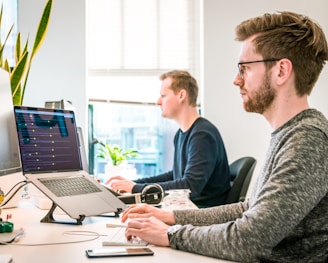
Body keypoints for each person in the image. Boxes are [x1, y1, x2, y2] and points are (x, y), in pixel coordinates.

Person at [119, 11, 328, 263]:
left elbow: (248, 239)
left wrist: (170, 234)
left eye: (245, 68)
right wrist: (171, 217)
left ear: (281, 71)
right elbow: (248, 209)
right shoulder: (289, 134)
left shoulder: (307, 139)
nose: (236, 80)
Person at [108, 70, 231, 208]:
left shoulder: (202, 135)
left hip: (201, 215)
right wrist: (134, 184)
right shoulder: (182, 134)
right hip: (187, 209)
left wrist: (136, 189)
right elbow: (175, 175)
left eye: (163, 96)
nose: (158, 102)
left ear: (181, 95)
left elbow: (190, 187)